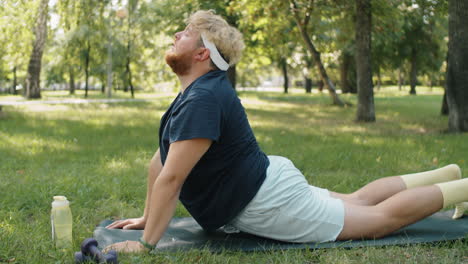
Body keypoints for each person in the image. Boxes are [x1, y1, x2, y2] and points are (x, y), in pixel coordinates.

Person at [104, 10, 468, 253]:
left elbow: (172, 179)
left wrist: (147, 244)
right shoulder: (194, 94)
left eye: (185, 34)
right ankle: (448, 175)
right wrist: (148, 218)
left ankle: (462, 187)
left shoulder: (202, 99)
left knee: (378, 220)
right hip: (266, 182)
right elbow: (160, 162)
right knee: (357, 200)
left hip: (267, 200)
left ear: (202, 55)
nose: (175, 34)